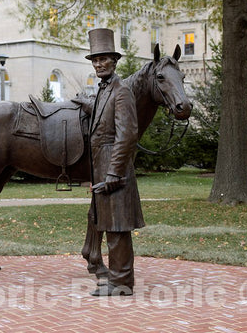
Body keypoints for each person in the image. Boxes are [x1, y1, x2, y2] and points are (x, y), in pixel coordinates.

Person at [84, 28, 145, 296]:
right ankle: (117, 278)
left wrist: (113, 174)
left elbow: (127, 135)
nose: (98, 64)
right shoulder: (103, 91)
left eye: (103, 59)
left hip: (114, 170)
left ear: (115, 60)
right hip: (102, 167)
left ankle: (121, 283)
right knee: (109, 225)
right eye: (95, 60)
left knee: (118, 227)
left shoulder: (122, 90)